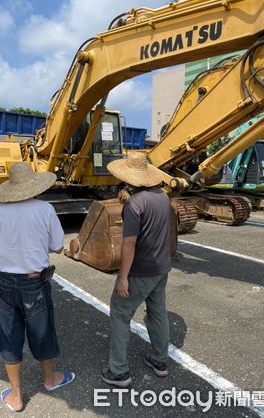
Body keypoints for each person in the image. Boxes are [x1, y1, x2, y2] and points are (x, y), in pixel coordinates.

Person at [0, 162, 75, 412]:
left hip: (4, 281)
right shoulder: (45, 209)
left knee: (9, 335)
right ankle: (50, 379)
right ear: (34, 185)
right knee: (42, 330)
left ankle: (16, 395)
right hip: (34, 280)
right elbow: (57, 245)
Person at [101, 152, 171, 387]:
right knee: (158, 312)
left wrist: (123, 277)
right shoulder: (162, 197)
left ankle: (118, 371)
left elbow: (129, 243)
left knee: (120, 314)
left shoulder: (133, 204)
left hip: (140, 270)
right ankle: (160, 361)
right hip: (161, 268)